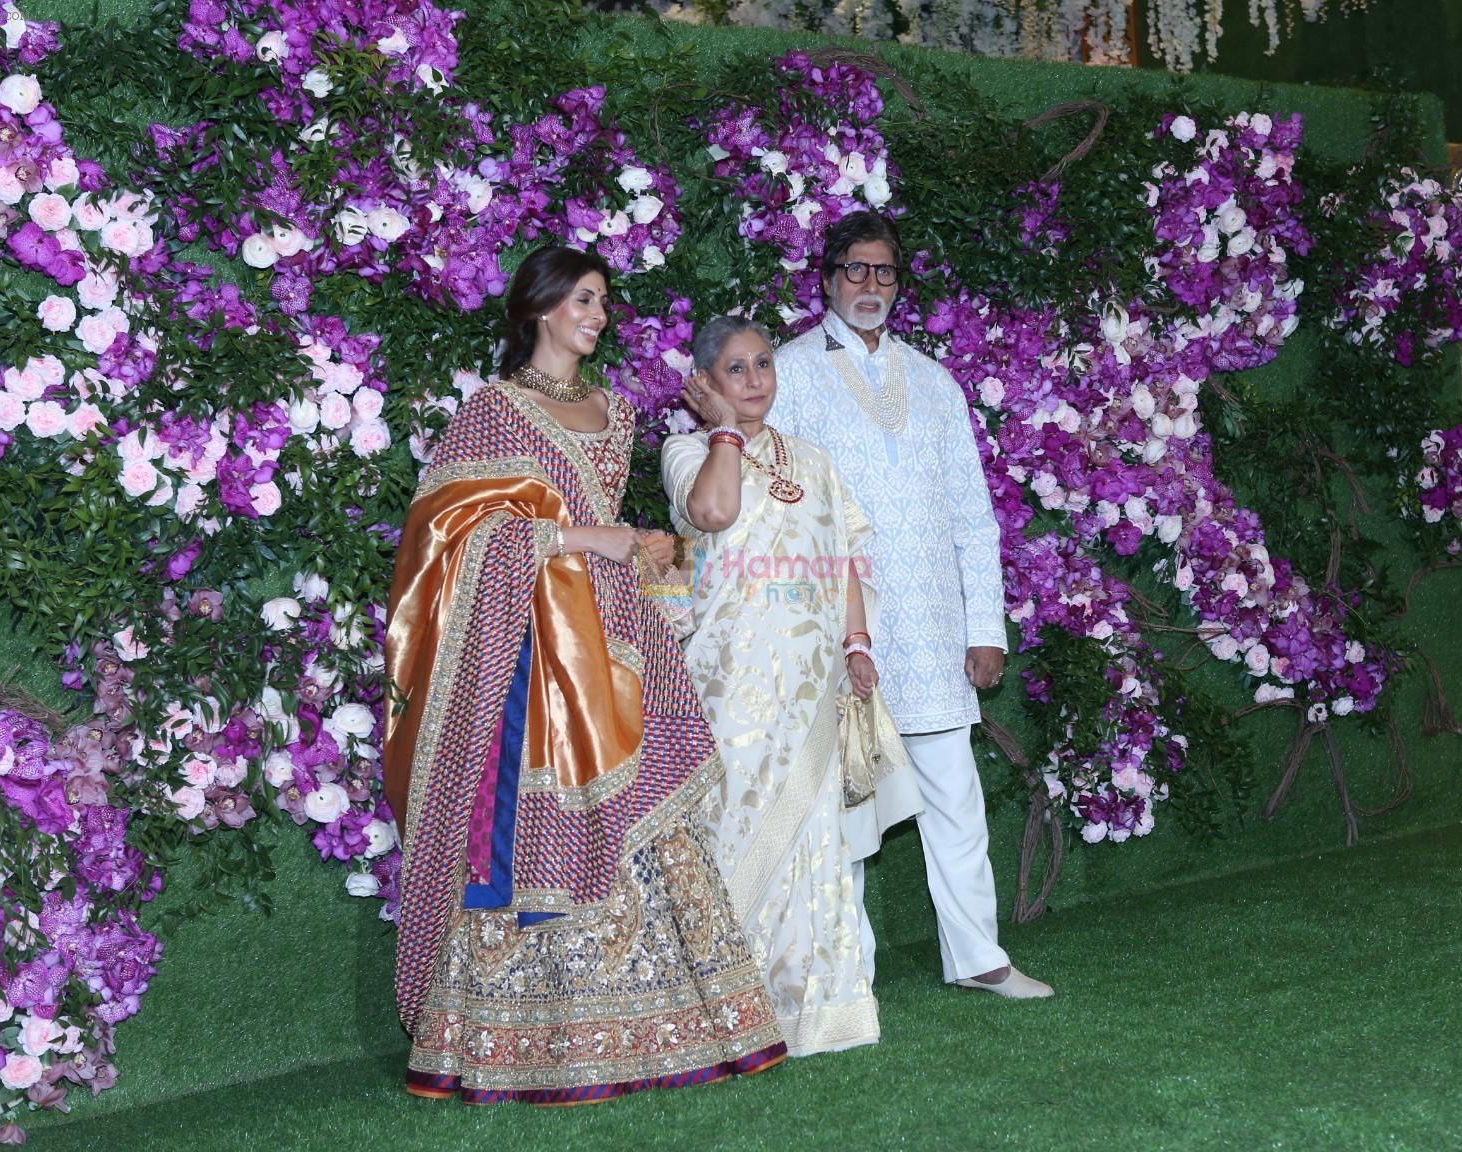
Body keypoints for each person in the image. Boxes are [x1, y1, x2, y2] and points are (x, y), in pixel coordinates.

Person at [383, 247, 785, 1105]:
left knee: (642, 806)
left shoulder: (618, 410)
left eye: (604, 300)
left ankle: (664, 1025)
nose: (597, 315)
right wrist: (577, 542)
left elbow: (609, 524)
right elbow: (447, 541)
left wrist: (642, 545)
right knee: (530, 823)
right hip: (528, 656)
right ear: (539, 307)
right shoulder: (492, 412)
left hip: (614, 638)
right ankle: (512, 1039)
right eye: (583, 299)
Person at [769, 211, 1054, 1000]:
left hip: (931, 632)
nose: (870, 286)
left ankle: (981, 957)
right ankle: (845, 974)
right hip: (842, 629)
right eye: (856, 270)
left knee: (956, 799)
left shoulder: (935, 382)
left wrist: (984, 629)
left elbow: (972, 514)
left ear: (899, 284)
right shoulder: (786, 374)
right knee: (845, 809)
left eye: (884, 273)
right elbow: (781, 511)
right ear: (827, 278)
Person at [662, 315, 923, 1055]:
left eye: (763, 365)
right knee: (732, 830)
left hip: (811, 678)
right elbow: (712, 513)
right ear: (705, 384)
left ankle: (821, 1014)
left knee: (816, 841)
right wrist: (722, 432)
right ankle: (731, 1013)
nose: (754, 382)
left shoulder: (811, 461)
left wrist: (858, 641)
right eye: (735, 370)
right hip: (729, 680)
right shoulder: (687, 451)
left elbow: (842, 556)